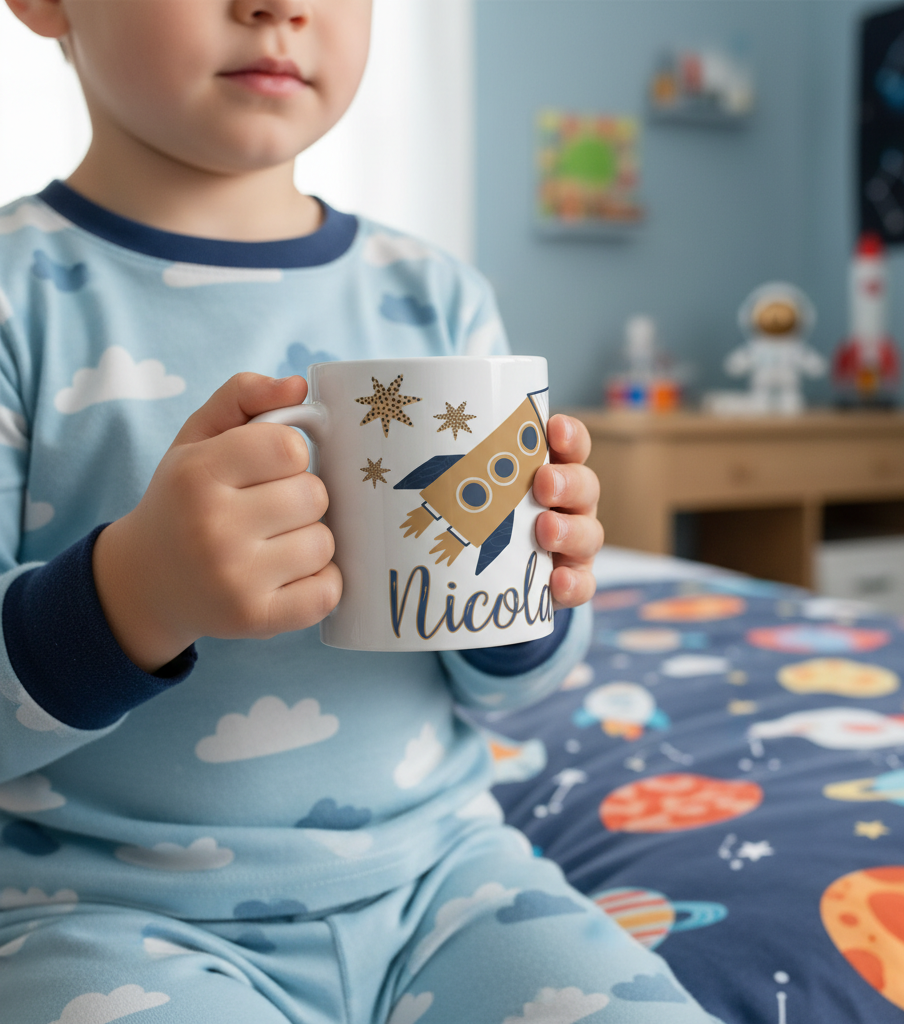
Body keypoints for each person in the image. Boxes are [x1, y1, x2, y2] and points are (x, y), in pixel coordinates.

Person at [0, 2, 723, 1022]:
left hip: (449, 884)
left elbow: (511, 690)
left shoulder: (437, 297)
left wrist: (539, 583)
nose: (279, 5)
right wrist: (134, 591)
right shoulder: (18, 297)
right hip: (103, 916)